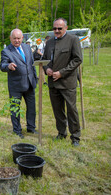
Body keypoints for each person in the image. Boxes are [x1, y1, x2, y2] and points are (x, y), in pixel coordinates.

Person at [43, 18, 82, 147]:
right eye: (55, 28)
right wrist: (46, 68)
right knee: (57, 110)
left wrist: (62, 73)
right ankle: (61, 133)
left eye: (60, 28)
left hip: (67, 82)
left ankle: (75, 136)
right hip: (53, 83)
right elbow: (44, 60)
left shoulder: (73, 40)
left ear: (66, 27)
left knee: (71, 110)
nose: (57, 31)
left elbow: (77, 60)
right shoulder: (49, 43)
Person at [0, 29, 38, 139]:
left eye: (19, 38)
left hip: (30, 83)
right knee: (15, 109)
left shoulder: (27, 48)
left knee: (31, 108)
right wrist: (8, 66)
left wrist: (35, 78)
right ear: (10, 38)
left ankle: (31, 127)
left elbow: (31, 64)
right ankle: (17, 130)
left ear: (22, 38)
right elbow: (2, 65)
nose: (17, 40)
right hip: (16, 86)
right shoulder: (6, 51)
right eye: (14, 38)